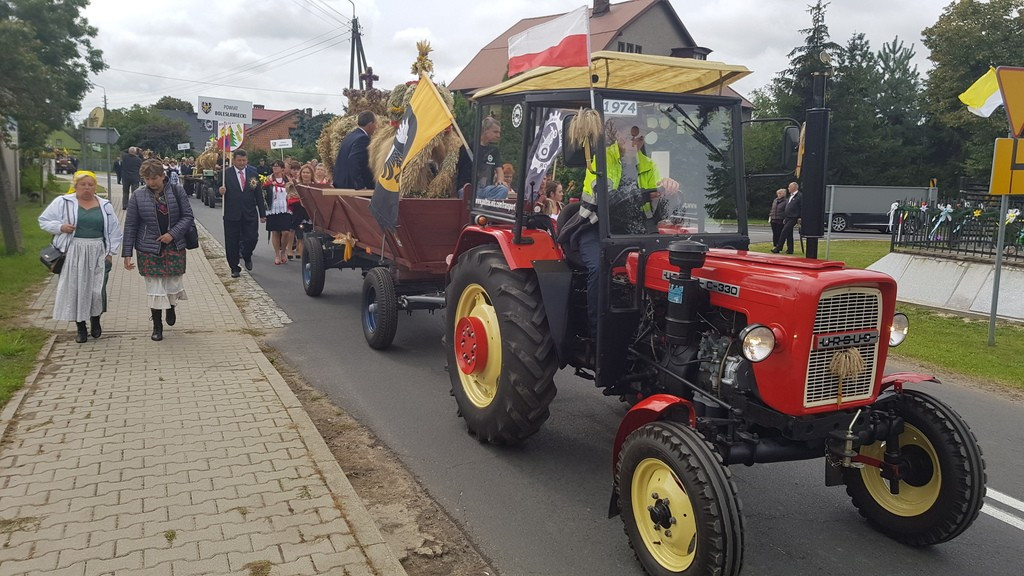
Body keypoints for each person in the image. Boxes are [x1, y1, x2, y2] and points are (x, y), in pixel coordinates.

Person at [560, 121, 678, 337]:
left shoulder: (648, 165)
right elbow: (609, 201)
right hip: (596, 229)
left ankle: (653, 326)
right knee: (599, 268)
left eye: (639, 138)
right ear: (618, 137)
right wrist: (650, 191)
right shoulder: (601, 160)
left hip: (631, 232)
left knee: (667, 267)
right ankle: (597, 333)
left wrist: (667, 193)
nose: (634, 142)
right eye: (629, 137)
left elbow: (654, 214)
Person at [38, 171, 122, 343]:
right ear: (75, 186)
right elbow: (44, 220)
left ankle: (95, 321)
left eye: (90, 185)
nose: (87, 188)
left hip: (97, 250)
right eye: (83, 184)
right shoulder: (63, 202)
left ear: (95, 187)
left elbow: (114, 231)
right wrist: (60, 227)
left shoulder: (105, 205)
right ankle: (81, 327)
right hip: (73, 251)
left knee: (96, 289)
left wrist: (110, 253)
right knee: (76, 289)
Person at [122, 159, 195, 341]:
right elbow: (131, 225)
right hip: (148, 247)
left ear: (163, 176)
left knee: (172, 283)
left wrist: (173, 233)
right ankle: (157, 325)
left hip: (173, 245)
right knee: (154, 287)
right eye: (146, 178)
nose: (151, 182)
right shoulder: (138, 195)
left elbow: (187, 216)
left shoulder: (177, 191)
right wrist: (127, 253)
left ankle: (171, 307)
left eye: (154, 178)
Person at [218, 149, 267, 278]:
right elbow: (217, 188)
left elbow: (258, 194)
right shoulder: (225, 174)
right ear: (233, 160)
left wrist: (262, 213)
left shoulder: (253, 173)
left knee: (252, 238)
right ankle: (234, 267)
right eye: (239, 160)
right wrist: (220, 191)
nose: (241, 163)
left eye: (244, 160)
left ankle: (247, 255)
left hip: (249, 212)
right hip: (232, 213)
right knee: (232, 241)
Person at [332, 111, 377, 189]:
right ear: (370, 124)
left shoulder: (350, 136)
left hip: (340, 183)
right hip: (350, 186)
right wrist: (359, 185)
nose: (376, 127)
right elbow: (354, 160)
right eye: (375, 123)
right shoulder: (363, 139)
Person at [263, 160, 292, 265]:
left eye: (277, 166)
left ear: (282, 169)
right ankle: (277, 254)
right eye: (273, 166)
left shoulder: (287, 179)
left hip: (285, 207)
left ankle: (283, 251)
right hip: (273, 208)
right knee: (275, 231)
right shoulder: (268, 179)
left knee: (286, 232)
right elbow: (264, 192)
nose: (275, 168)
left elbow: (292, 191)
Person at [474, 116, 509, 200]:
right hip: (471, 189)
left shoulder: (494, 151)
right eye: (495, 132)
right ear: (485, 131)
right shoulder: (470, 147)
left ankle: (487, 209)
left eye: (499, 133)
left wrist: (500, 181)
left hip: (487, 190)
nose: (498, 135)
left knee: (503, 189)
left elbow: (499, 170)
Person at [288, 164, 315, 260]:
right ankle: (290, 249)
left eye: (307, 173)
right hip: (297, 208)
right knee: (293, 228)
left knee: (306, 229)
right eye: (304, 172)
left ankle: (301, 250)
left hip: (308, 209)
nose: (305, 174)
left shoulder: (314, 185)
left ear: (311, 174)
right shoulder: (296, 184)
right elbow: (290, 195)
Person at [772, 181, 801, 254]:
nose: (788, 188)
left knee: (784, 231)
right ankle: (790, 249)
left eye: (789, 187)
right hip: (788, 217)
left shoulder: (799, 196)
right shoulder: (790, 196)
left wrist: (800, 217)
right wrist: (785, 217)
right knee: (789, 233)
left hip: (794, 217)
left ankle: (778, 247)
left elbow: (801, 207)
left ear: (794, 187)